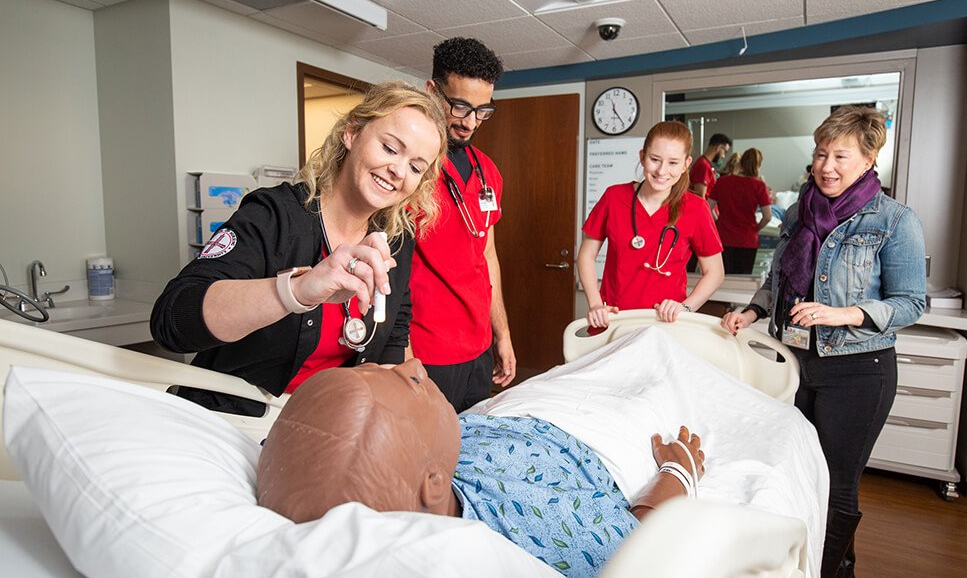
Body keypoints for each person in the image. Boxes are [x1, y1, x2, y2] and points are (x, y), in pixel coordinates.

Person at [257, 359, 706, 577]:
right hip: (601, 435)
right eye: (411, 384)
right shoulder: (539, 527)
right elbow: (640, 547)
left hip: (523, 412)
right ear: (433, 484)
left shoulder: (427, 455)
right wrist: (678, 473)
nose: (414, 364)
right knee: (667, 363)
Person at [150, 82, 447, 410]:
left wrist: (402, 397)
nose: (399, 170)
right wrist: (298, 290)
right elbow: (171, 321)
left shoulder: (395, 239)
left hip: (323, 424)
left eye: (417, 167)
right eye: (390, 148)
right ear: (351, 133)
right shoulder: (274, 215)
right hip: (233, 419)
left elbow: (394, 330)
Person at [720, 106, 925, 578]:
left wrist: (844, 314)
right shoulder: (798, 212)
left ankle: (825, 570)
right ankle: (816, 566)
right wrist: (751, 311)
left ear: (870, 158)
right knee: (794, 471)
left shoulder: (893, 220)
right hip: (794, 363)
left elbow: (911, 303)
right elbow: (779, 278)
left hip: (857, 370)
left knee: (835, 484)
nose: (826, 166)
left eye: (841, 156)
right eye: (820, 154)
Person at [410, 37, 515, 412]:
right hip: (427, 349)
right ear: (432, 91)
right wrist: (404, 356)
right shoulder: (411, 169)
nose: (471, 122)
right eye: (460, 107)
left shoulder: (488, 172)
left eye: (482, 110)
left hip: (478, 345)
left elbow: (487, 254)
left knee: (470, 447)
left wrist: (501, 333)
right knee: (427, 453)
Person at [577, 121, 724, 330]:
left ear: (685, 164)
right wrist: (594, 304)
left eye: (673, 163)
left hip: (666, 325)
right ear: (642, 156)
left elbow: (715, 272)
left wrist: (686, 307)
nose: (662, 171)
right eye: (655, 159)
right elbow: (586, 255)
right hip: (614, 321)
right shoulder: (614, 198)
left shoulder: (696, 208)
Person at [710, 148, 772, 274]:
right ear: (759, 165)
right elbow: (768, 216)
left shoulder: (722, 182)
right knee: (742, 283)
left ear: (741, 162)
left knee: (722, 279)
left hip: (724, 238)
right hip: (747, 240)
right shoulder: (759, 186)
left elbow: (707, 208)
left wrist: (717, 222)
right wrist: (756, 228)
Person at [688, 132, 731, 200]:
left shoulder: (706, 164)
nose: (723, 156)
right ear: (718, 147)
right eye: (724, 151)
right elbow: (700, 195)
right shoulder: (703, 166)